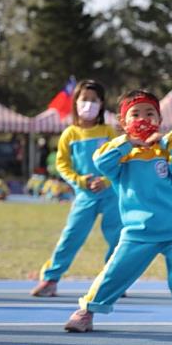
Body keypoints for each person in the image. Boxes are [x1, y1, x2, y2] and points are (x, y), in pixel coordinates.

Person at [64, 89, 172, 335]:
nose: (143, 119)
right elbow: (101, 162)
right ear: (123, 123)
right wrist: (126, 143)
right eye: (135, 114)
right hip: (138, 231)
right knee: (115, 272)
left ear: (159, 120)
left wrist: (166, 141)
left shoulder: (166, 149)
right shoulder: (120, 153)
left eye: (150, 113)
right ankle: (87, 310)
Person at [31, 80, 122, 297]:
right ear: (76, 102)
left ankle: (115, 281)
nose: (88, 104)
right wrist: (80, 180)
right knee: (71, 237)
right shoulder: (69, 134)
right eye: (84, 99)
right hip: (84, 196)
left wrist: (107, 180)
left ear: (101, 104)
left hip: (112, 195)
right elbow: (62, 164)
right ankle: (51, 279)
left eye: (94, 100)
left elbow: (122, 157)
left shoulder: (109, 131)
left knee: (118, 239)